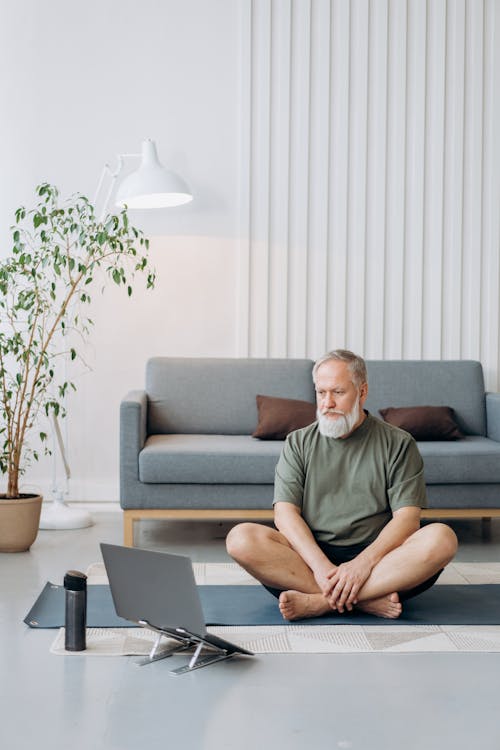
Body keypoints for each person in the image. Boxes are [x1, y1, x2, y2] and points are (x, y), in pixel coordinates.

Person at [226, 349, 458, 621]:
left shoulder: (398, 443)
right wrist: (321, 567)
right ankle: (364, 600)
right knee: (240, 539)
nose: (327, 403)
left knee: (442, 538)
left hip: (380, 561)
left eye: (338, 392)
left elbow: (407, 520)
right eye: (321, 393)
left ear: (362, 392)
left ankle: (319, 602)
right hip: (309, 560)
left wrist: (362, 565)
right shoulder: (298, 442)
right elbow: (285, 514)